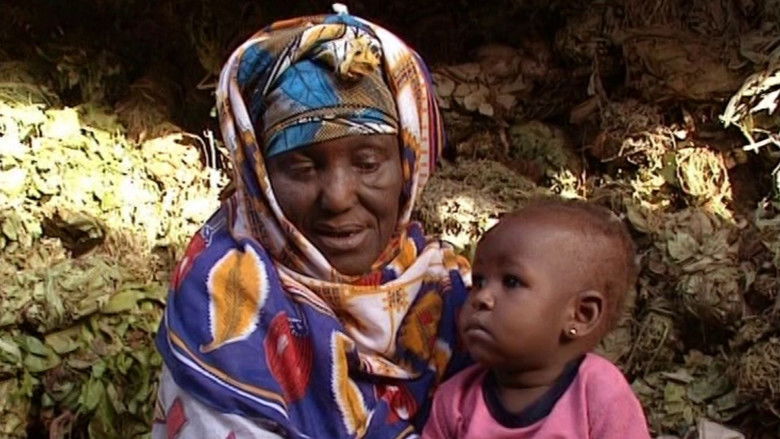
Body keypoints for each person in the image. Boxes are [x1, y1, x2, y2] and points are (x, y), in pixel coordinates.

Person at [152, 6, 470, 439]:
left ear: (409, 167)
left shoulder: (452, 291)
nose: (338, 197)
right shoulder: (226, 296)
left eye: (368, 163)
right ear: (259, 180)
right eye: (302, 168)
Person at [423, 200, 651, 438]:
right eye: (479, 281)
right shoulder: (455, 401)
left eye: (511, 281)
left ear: (581, 315)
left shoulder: (598, 394)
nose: (482, 297)